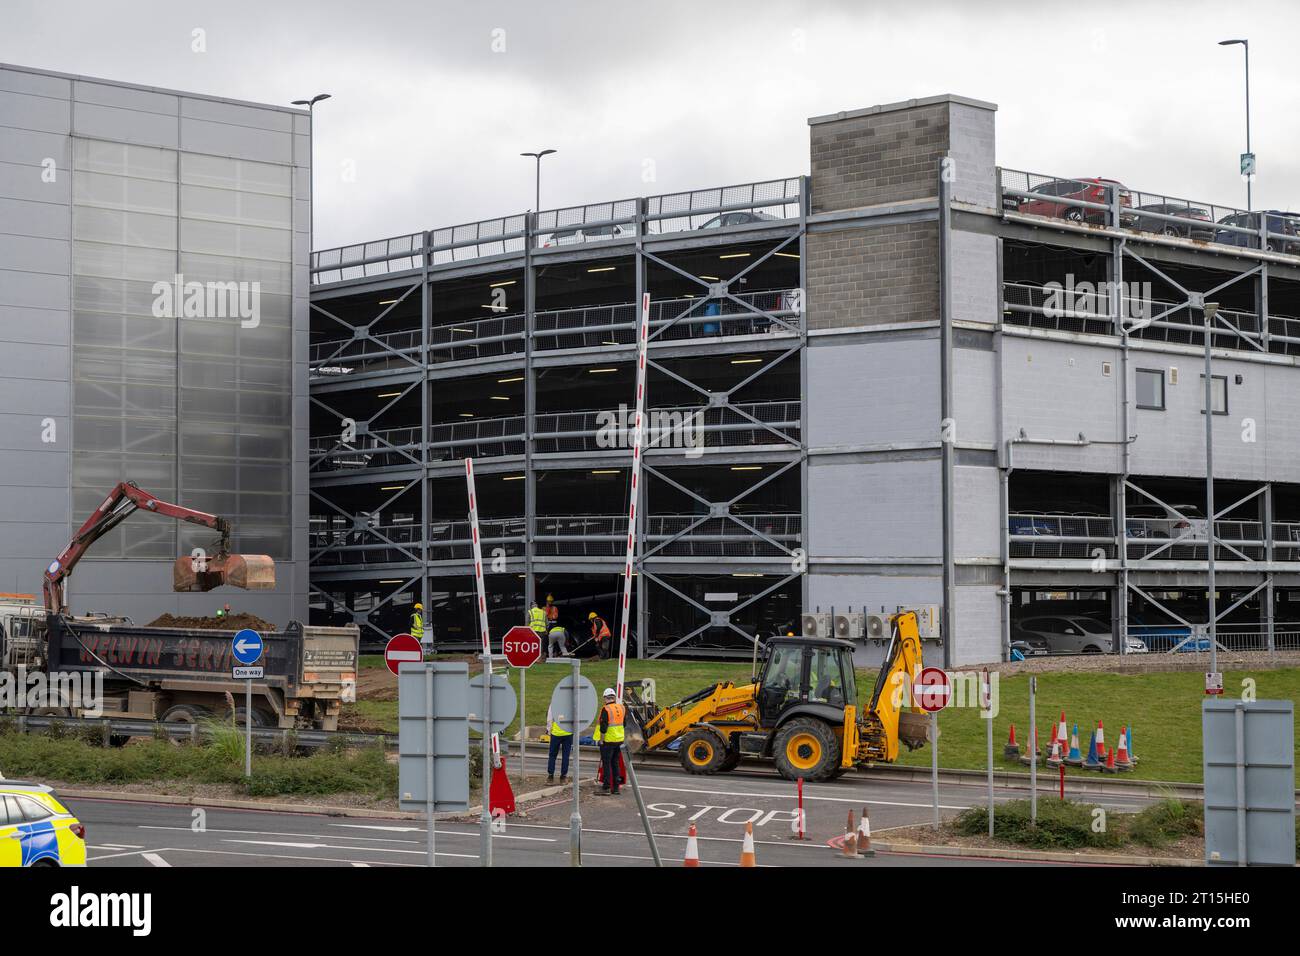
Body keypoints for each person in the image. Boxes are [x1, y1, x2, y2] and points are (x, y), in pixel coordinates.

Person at [593, 687, 624, 795]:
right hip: (619, 740)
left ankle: (606, 787)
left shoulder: (606, 709)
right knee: (615, 763)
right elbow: (623, 724)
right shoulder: (621, 708)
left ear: (605, 698)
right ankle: (616, 788)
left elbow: (603, 727)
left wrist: (601, 740)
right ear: (614, 697)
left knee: (607, 764)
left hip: (608, 741)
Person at [544, 699, 572, 784]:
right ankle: (563, 777)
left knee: (552, 755)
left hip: (556, 733)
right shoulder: (571, 702)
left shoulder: (554, 702)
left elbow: (549, 718)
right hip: (568, 733)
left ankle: (550, 777)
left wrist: (549, 730)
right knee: (565, 756)